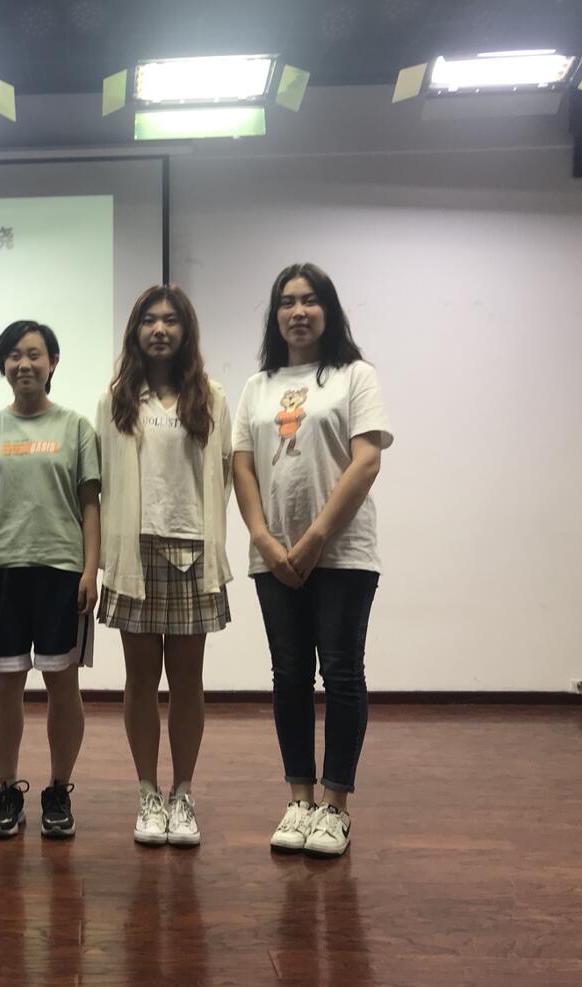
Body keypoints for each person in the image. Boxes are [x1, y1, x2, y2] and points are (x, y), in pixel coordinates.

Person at [231, 262, 393, 858]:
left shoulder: (355, 375)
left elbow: (366, 461)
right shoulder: (258, 386)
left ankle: (335, 806)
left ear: (329, 309)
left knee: (342, 674)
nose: (297, 312)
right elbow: (241, 465)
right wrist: (264, 539)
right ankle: (299, 800)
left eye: (309, 300)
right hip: (274, 557)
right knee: (290, 675)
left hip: (343, 553)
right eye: (286, 302)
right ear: (275, 315)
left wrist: (316, 537)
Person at [96, 285, 233, 848]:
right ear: (135, 331)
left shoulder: (212, 398)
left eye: (170, 320)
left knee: (187, 682)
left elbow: (225, 474)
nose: (159, 329)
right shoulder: (116, 400)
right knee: (139, 680)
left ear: (185, 330)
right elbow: (104, 478)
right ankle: (148, 792)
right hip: (135, 552)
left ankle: (183, 792)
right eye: (149, 320)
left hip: (192, 551)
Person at [0, 320, 101, 839]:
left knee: (63, 685)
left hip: (61, 571)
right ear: (3, 365)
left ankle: (59, 790)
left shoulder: (76, 427)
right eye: (14, 355)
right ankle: (7, 790)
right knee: (5, 686)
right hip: (0, 571)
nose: (24, 364)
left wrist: (90, 568)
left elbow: (90, 504)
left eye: (35, 354)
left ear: (53, 362)